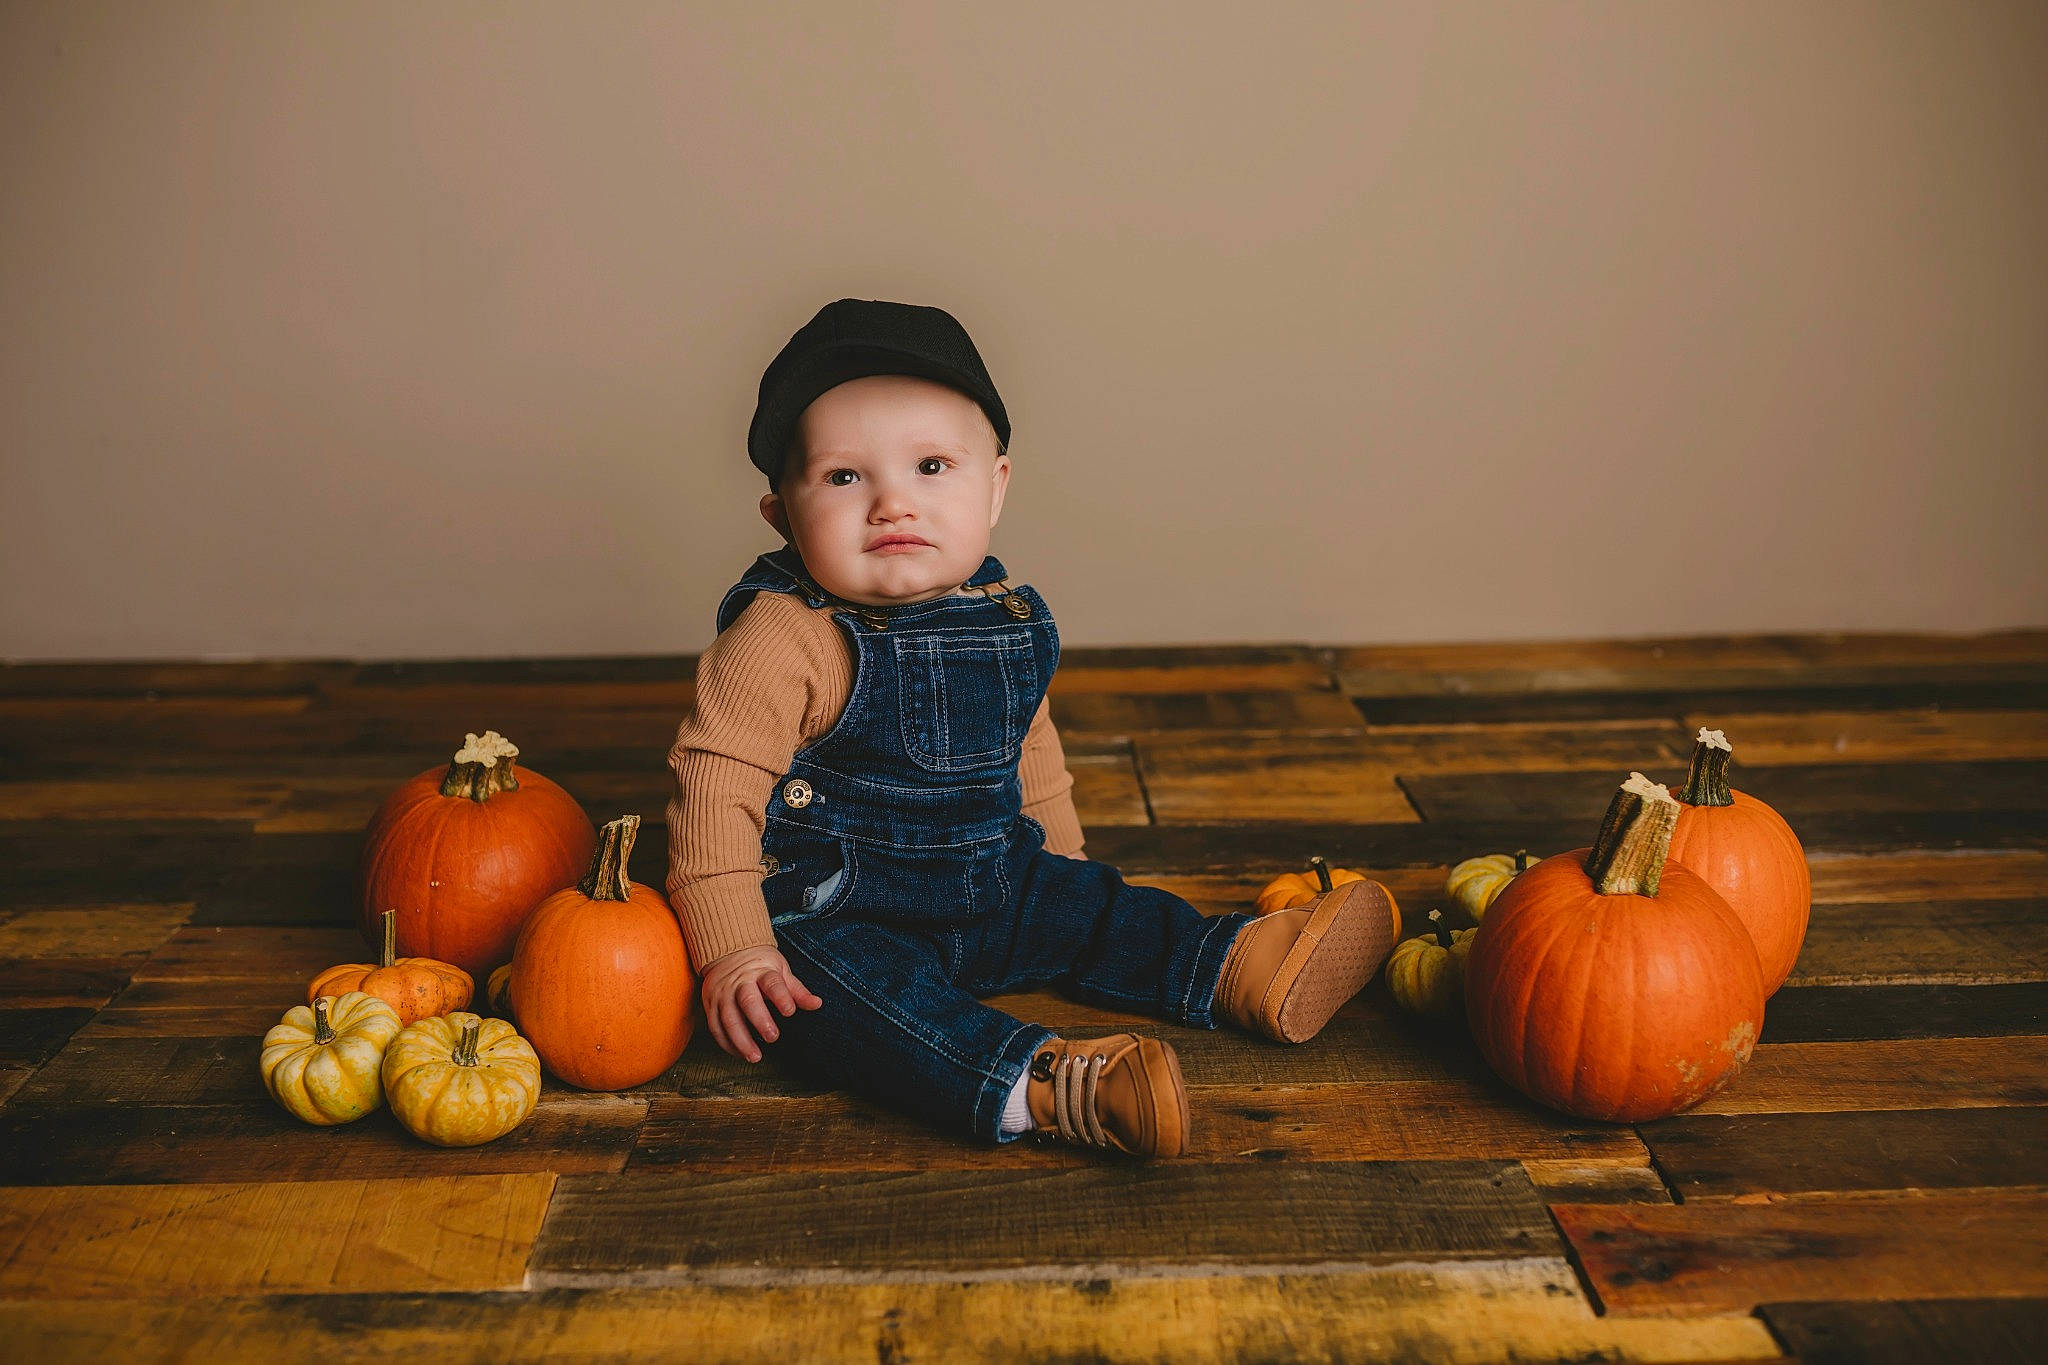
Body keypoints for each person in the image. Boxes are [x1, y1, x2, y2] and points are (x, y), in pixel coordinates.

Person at [665, 298, 1398, 1157]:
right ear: (783, 516)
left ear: (997, 487)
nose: (892, 502)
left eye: (932, 465)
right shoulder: (782, 636)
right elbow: (711, 789)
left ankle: (1239, 964)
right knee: (833, 1004)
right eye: (843, 477)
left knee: (1099, 910)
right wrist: (736, 948)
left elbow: (1031, 750)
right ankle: (1046, 1083)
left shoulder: (1004, 614)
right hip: (838, 909)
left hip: (995, 883)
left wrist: (1065, 865)